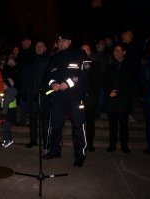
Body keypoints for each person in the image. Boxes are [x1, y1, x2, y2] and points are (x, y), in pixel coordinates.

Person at [42, 32, 90, 167]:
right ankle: (55, 151)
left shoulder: (80, 54)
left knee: (78, 126)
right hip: (58, 98)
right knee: (56, 125)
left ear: (69, 41)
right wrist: (52, 83)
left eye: (62, 40)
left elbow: (85, 74)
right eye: (59, 41)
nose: (60, 43)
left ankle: (80, 155)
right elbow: (49, 75)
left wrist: (68, 83)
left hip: (75, 97)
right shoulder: (55, 57)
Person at [103, 42, 136, 153]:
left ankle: (124, 146)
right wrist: (109, 92)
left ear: (124, 52)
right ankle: (112, 145)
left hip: (124, 100)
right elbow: (105, 83)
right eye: (114, 51)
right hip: (111, 100)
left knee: (124, 125)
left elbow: (131, 84)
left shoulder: (130, 67)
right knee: (112, 125)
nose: (116, 53)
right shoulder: (109, 67)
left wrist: (118, 92)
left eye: (118, 50)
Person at [81, 43, 102, 152]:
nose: (85, 52)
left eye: (87, 50)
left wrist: (88, 91)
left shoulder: (95, 64)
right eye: (83, 50)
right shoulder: (76, 64)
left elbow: (96, 80)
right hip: (78, 98)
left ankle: (90, 144)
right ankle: (80, 143)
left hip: (91, 99)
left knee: (90, 122)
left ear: (90, 52)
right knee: (79, 122)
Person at [0, 78, 18, 148]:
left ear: (8, 85)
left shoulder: (8, 93)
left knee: (5, 128)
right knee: (7, 127)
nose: (2, 85)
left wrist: (3, 114)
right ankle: (9, 139)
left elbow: (6, 103)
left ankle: (7, 141)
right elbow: (5, 101)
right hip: (9, 112)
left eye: (4, 84)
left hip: (7, 112)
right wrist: (1, 100)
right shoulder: (8, 92)